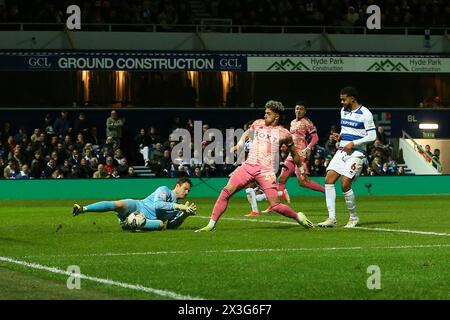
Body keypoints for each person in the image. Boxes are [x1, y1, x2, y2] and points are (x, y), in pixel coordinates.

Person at [195, 100, 314, 232]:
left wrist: (301, 169)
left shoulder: (284, 133)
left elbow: (294, 153)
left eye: (268, 113)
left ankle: (298, 217)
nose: (265, 115)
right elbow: (247, 133)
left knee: (275, 205)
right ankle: (211, 225)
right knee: (225, 192)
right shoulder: (258, 124)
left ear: (276, 116)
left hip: (266, 172)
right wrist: (239, 144)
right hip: (248, 167)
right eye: (265, 112)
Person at [317, 87, 376, 228]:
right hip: (343, 150)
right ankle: (332, 218)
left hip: (356, 153)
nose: (342, 102)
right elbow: (345, 128)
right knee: (329, 180)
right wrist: (341, 136)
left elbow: (372, 136)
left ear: (352, 99)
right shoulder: (343, 111)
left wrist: (353, 143)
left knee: (345, 184)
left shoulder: (365, 113)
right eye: (341, 99)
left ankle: (353, 217)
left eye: (344, 99)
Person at [72, 177, 197, 231]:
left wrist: (184, 214)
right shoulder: (164, 190)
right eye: (185, 189)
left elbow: (171, 227)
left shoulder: (178, 208)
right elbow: (158, 205)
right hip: (138, 206)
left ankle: (129, 223)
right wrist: (180, 206)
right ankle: (83, 209)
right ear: (177, 186)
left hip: (146, 220)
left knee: (160, 224)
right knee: (118, 204)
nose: (186, 192)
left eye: (189, 191)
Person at [272, 102, 325, 208]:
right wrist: (286, 146)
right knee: (282, 179)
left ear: (304, 111)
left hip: (300, 154)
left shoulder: (307, 122)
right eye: (297, 109)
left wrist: (307, 148)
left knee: (302, 181)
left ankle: (326, 191)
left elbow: (315, 137)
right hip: (291, 153)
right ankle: (276, 204)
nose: (298, 111)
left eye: (301, 109)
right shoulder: (292, 122)